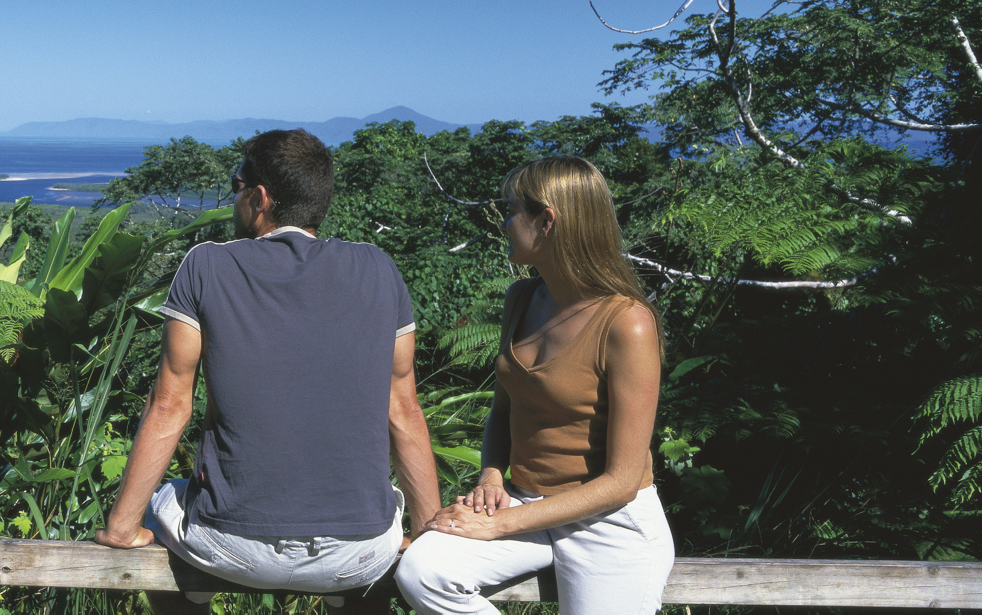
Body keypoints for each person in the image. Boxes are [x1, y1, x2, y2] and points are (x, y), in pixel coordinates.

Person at [93, 129, 440, 613]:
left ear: (259, 198)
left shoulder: (206, 265)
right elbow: (404, 411)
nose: (233, 197)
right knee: (376, 523)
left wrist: (119, 528)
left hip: (232, 545)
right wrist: (427, 535)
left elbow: (169, 406)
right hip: (359, 551)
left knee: (160, 503)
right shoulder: (379, 268)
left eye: (236, 186)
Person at [395, 156, 673, 614]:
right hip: (524, 501)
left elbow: (622, 482)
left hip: (608, 521)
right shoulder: (522, 298)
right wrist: (491, 475)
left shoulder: (627, 323)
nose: (504, 223)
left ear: (547, 221)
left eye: (511, 211)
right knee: (423, 572)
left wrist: (496, 525)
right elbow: (504, 411)